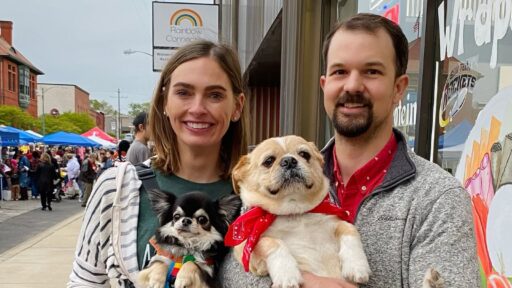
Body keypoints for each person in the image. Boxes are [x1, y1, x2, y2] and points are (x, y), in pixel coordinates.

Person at [219, 13, 479, 288]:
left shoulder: (438, 197)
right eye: (340, 72)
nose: (353, 86)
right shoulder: (271, 185)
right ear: (324, 86)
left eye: (372, 72)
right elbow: (232, 271)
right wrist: (307, 283)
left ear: (399, 88)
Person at [68, 40, 248, 287]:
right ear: (165, 101)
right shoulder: (117, 187)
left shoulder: (257, 197)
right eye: (183, 92)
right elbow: (84, 282)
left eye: (215, 95)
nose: (197, 108)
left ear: (237, 107)